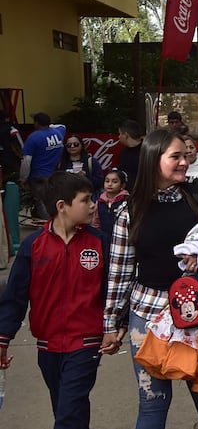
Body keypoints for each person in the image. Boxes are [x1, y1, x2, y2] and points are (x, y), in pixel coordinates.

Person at [103, 129, 198, 429]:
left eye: (185, 155)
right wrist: (111, 324)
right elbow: (119, 272)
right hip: (146, 318)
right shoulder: (129, 212)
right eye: (176, 157)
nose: (185, 162)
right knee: (152, 402)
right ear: (152, 161)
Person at [0, 171, 111, 429]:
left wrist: (115, 327)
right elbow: (15, 297)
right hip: (47, 346)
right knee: (66, 407)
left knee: (68, 414)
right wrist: (3, 338)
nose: (93, 204)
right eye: (85, 200)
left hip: (86, 342)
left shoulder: (99, 243)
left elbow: (112, 291)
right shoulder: (34, 246)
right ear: (62, 206)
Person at [19, 112, 67, 219]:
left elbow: (26, 161)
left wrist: (23, 178)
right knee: (53, 200)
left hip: (38, 176)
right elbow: (62, 125)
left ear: (36, 123)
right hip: (54, 174)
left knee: (41, 202)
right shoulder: (58, 132)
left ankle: (49, 227)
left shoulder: (33, 138)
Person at [57, 134, 104, 199]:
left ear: (81, 145)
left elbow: (100, 182)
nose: (72, 146)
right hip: (67, 198)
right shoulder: (61, 163)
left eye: (76, 144)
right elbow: (56, 183)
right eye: (69, 145)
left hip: (87, 198)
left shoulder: (90, 161)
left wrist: (85, 176)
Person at [92, 168, 129, 239]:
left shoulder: (126, 201)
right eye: (107, 181)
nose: (110, 184)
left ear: (122, 185)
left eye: (114, 182)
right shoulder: (99, 201)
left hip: (121, 238)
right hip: (103, 238)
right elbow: (96, 222)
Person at [117, 119, 144, 192]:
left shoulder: (148, 151)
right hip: (128, 195)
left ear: (126, 135)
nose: (118, 137)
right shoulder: (123, 154)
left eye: (120, 134)